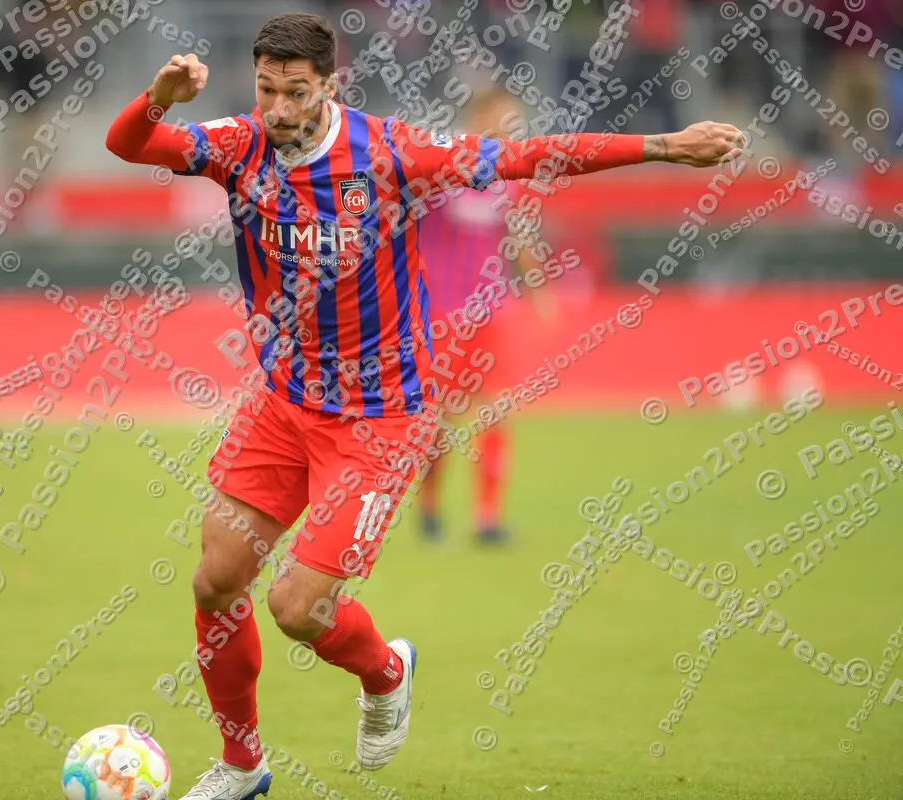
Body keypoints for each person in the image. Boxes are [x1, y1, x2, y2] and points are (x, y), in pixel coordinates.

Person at [105, 13, 742, 800]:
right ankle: (242, 767)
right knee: (214, 581)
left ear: (329, 86)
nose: (277, 108)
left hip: (380, 416)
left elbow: (524, 157)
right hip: (281, 401)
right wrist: (159, 97)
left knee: (297, 607)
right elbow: (129, 145)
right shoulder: (237, 145)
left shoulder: (390, 152)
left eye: (295, 92)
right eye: (266, 89)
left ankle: (386, 671)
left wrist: (660, 146)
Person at [415, 87, 557, 546]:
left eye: (515, 122)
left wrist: (538, 289)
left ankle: (487, 519)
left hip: (490, 312)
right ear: (478, 117)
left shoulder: (508, 179)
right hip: (440, 314)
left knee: (495, 411)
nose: (509, 129)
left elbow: (518, 237)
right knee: (439, 421)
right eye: (502, 119)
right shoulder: (440, 170)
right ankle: (430, 506)